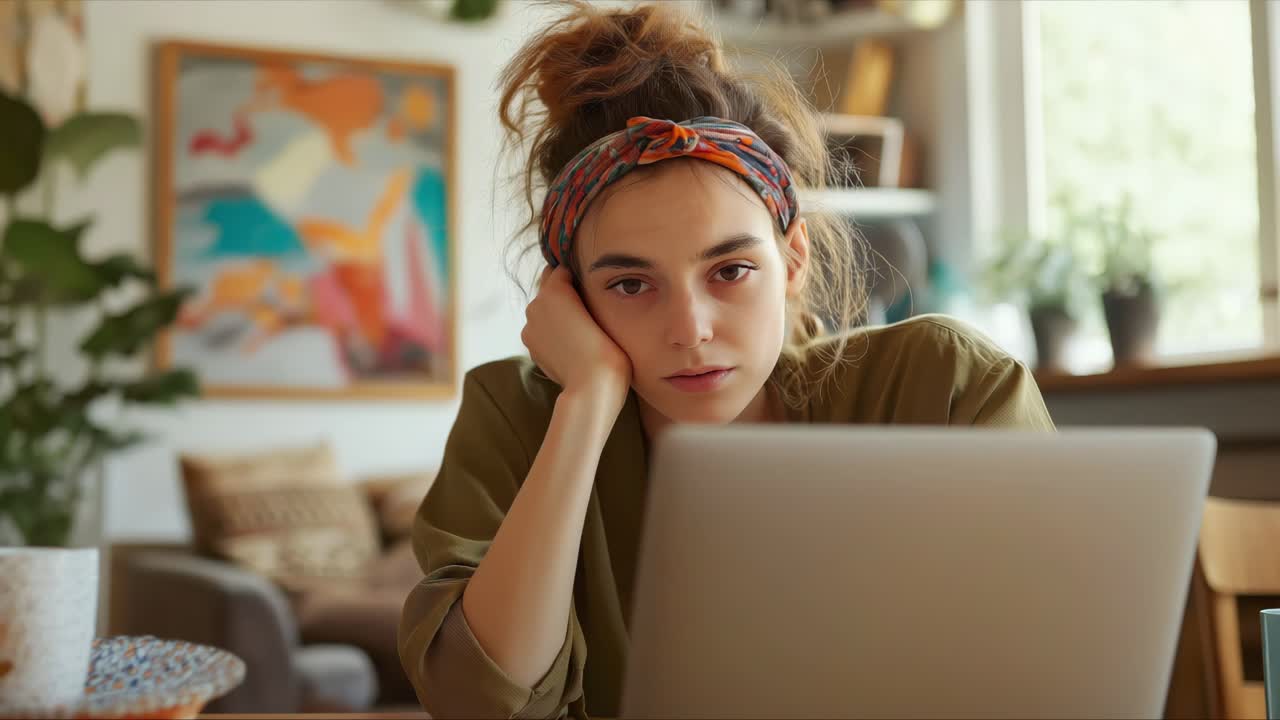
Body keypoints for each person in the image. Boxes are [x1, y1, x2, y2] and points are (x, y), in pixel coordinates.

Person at [397, 2, 1055, 718]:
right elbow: (476, 700)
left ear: (793, 258)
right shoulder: (516, 416)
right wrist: (585, 404)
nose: (690, 330)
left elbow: (1060, 654)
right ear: (571, 295)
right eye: (630, 284)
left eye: (730, 271)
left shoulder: (945, 385)